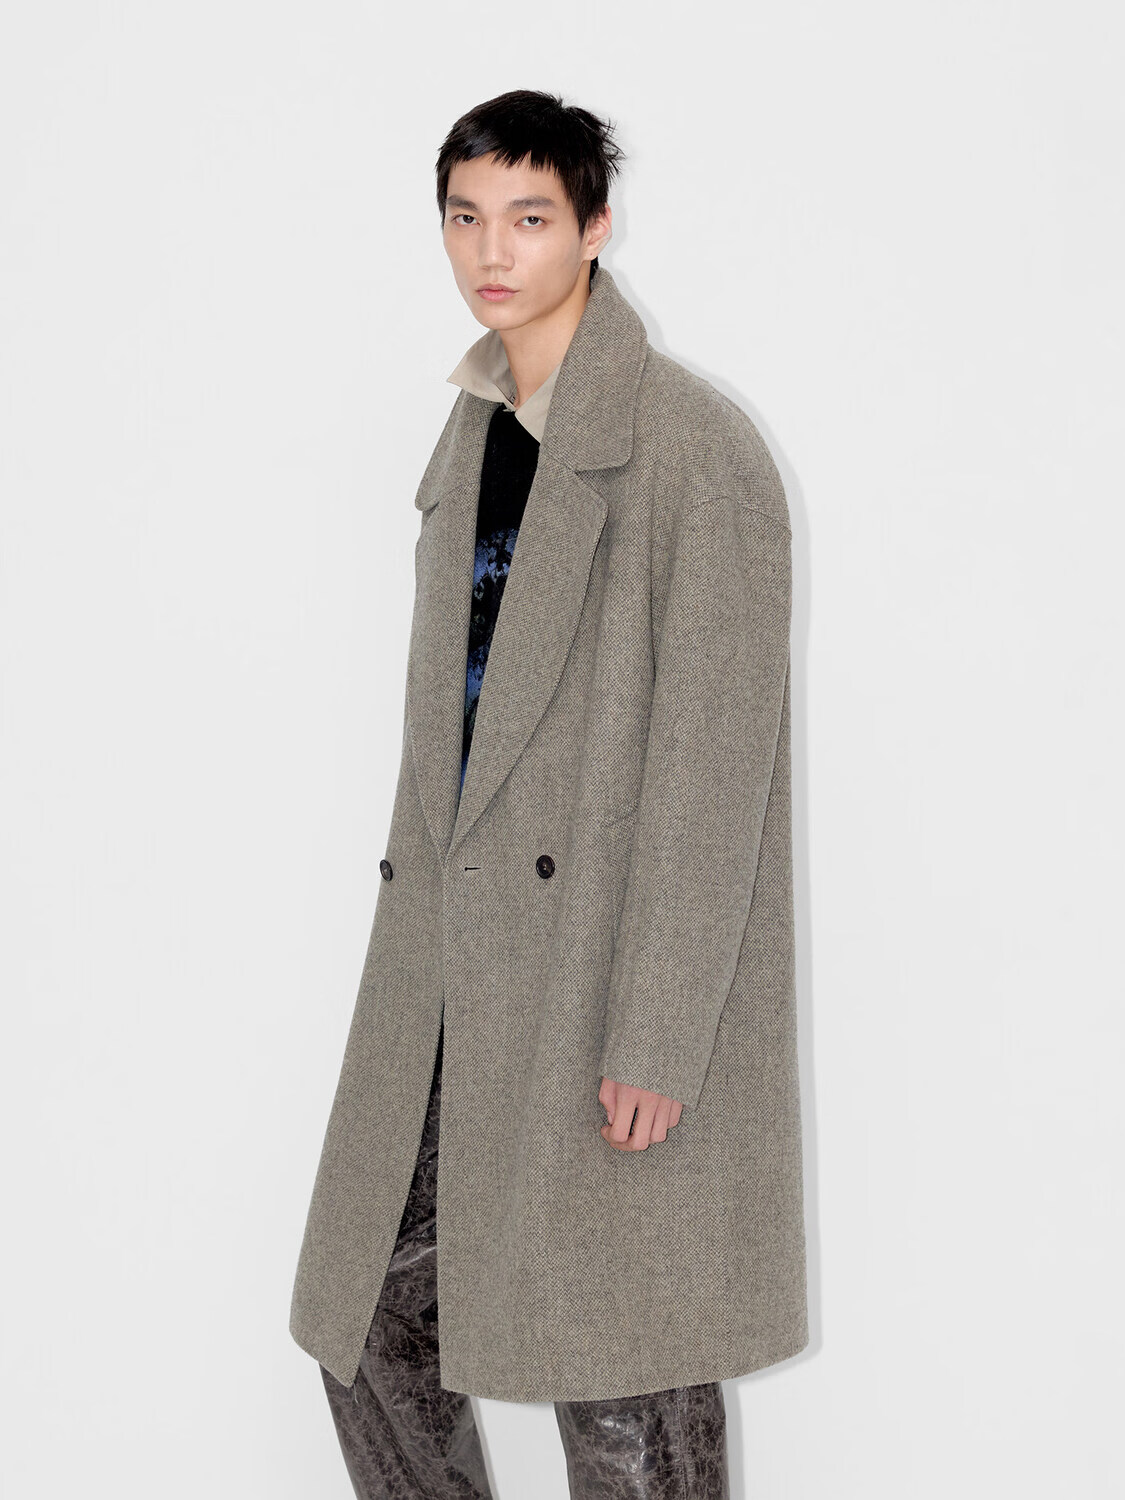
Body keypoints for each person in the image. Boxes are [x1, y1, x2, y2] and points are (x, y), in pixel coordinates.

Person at [290, 88, 808, 1499]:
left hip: (600, 975)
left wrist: (660, 1034)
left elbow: (715, 771)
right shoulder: (471, 436)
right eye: (465, 217)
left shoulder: (693, 449)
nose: (491, 250)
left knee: (626, 1365)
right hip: (453, 968)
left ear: (594, 226)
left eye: (527, 217)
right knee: (366, 1319)